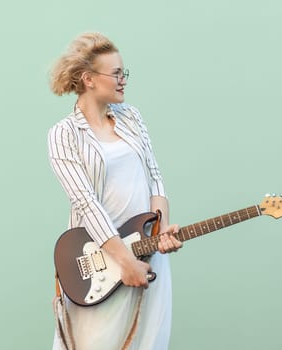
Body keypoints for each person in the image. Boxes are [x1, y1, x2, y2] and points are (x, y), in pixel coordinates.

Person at [47, 32, 183, 350]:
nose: (123, 80)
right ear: (89, 79)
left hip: (147, 254)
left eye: (125, 73)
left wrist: (159, 233)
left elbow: (155, 177)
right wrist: (124, 262)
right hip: (101, 262)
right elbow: (85, 201)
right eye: (116, 73)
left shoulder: (132, 117)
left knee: (150, 341)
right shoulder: (63, 135)